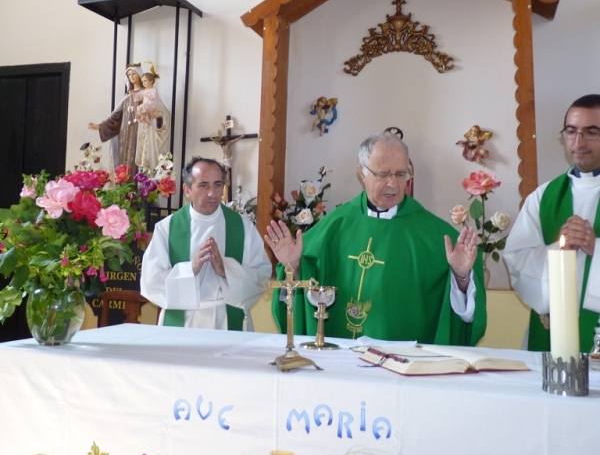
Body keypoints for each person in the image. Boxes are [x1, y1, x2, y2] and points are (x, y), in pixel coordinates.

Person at [265, 132, 487, 344]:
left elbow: (461, 321)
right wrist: (292, 266)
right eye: (383, 174)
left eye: (401, 174)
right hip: (341, 364)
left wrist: (461, 277)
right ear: (362, 173)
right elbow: (300, 297)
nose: (393, 184)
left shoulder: (434, 235)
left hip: (404, 368)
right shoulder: (334, 226)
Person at [504, 94, 600, 352]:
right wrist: (560, 252)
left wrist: (595, 248)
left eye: (591, 132)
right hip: (551, 336)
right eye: (571, 132)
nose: (579, 142)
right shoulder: (543, 196)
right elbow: (516, 259)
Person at [141, 156, 271, 330]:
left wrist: (226, 270)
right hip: (182, 324)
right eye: (203, 185)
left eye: (218, 185)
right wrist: (189, 270)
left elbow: (261, 275)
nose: (212, 193)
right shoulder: (167, 228)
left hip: (227, 319)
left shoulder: (242, 227)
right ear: (187, 190)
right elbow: (150, 281)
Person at [89, 62, 171, 178]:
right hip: (125, 135)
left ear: (140, 75)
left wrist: (157, 116)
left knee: (139, 164)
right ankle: (124, 191)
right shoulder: (127, 97)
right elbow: (116, 117)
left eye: (134, 74)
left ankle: (141, 189)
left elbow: (164, 114)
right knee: (124, 164)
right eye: (129, 75)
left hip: (141, 134)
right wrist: (100, 126)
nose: (131, 77)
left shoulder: (148, 94)